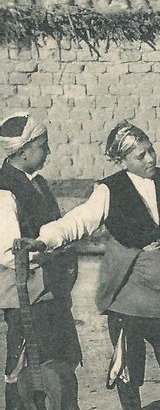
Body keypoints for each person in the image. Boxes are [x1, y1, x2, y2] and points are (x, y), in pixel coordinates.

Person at [26, 121, 160, 410]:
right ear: (121, 161)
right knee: (127, 364)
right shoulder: (109, 189)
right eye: (140, 156)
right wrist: (43, 241)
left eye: (150, 150)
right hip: (127, 295)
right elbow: (79, 220)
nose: (151, 159)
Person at [0, 111, 82, 410]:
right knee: (24, 367)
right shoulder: (5, 189)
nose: (48, 151)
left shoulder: (38, 182)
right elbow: (10, 252)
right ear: (23, 150)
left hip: (49, 292)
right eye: (42, 145)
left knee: (59, 364)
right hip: (26, 295)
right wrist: (51, 252)